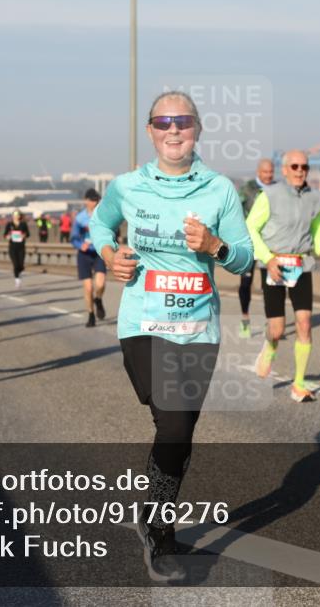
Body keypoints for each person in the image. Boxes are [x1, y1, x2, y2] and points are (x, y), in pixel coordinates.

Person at [90, 90, 253, 582]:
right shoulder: (127, 186)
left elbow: (245, 258)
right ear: (150, 132)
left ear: (198, 129)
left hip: (198, 330)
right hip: (143, 324)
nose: (173, 130)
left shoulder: (220, 190)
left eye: (182, 121)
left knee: (179, 437)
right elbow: (100, 223)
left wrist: (216, 244)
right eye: (163, 122)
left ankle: (151, 513)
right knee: (175, 428)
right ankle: (159, 532)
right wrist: (107, 254)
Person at [247, 150, 320, 402]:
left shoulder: (315, 198)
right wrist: (267, 257)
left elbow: (315, 227)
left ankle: (298, 385)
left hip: (301, 264)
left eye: (304, 167)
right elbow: (251, 227)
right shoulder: (270, 195)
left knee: (304, 324)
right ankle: (270, 346)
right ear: (284, 170)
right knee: (276, 329)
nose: (300, 171)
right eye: (294, 166)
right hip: (274, 264)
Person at [237, 158, 276, 337]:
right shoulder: (247, 189)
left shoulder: (277, 189)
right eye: (265, 172)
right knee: (246, 283)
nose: (268, 176)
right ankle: (245, 319)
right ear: (258, 172)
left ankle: (272, 321)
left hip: (269, 244)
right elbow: (236, 211)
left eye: (271, 172)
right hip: (249, 243)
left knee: (271, 284)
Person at [72, 190, 107, 327]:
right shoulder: (80, 219)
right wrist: (81, 245)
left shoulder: (103, 216)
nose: (94, 202)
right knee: (88, 288)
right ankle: (91, 314)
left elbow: (111, 231)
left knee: (100, 284)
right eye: (92, 200)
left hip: (99, 253)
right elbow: (74, 238)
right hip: (85, 255)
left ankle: (98, 299)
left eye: (96, 199)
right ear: (86, 201)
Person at [4, 210, 30, 289]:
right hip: (12, 247)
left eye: (17, 214)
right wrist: (7, 236)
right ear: (12, 216)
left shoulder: (23, 224)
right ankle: (17, 281)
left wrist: (24, 235)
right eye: (14, 215)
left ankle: (20, 271)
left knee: (21, 265)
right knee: (15, 264)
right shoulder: (9, 224)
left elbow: (28, 234)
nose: (16, 216)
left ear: (19, 216)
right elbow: (5, 234)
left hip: (21, 247)